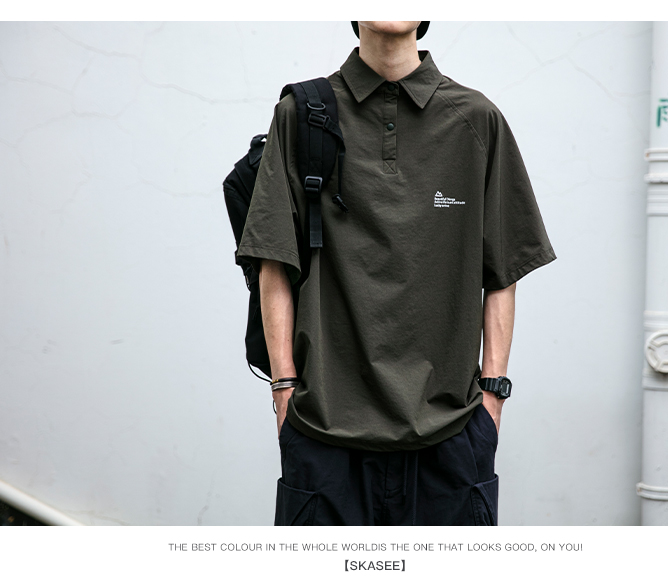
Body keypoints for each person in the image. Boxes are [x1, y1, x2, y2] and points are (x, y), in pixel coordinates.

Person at [237, 21, 556, 526]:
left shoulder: (477, 119)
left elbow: (503, 271)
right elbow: (273, 260)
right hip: (323, 431)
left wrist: (492, 397)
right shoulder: (299, 116)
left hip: (451, 432)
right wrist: (284, 391)